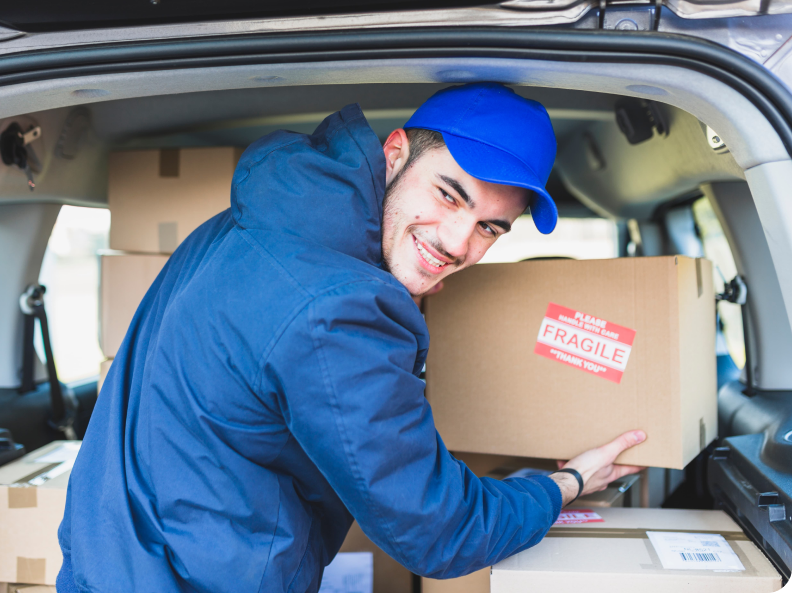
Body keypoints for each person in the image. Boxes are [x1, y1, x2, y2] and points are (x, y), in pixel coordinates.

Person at [57, 83, 645, 593]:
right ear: (395, 154)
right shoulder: (339, 308)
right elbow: (438, 531)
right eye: (449, 194)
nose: (458, 243)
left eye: (490, 227)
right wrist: (564, 484)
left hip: (108, 563)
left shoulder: (267, 214)